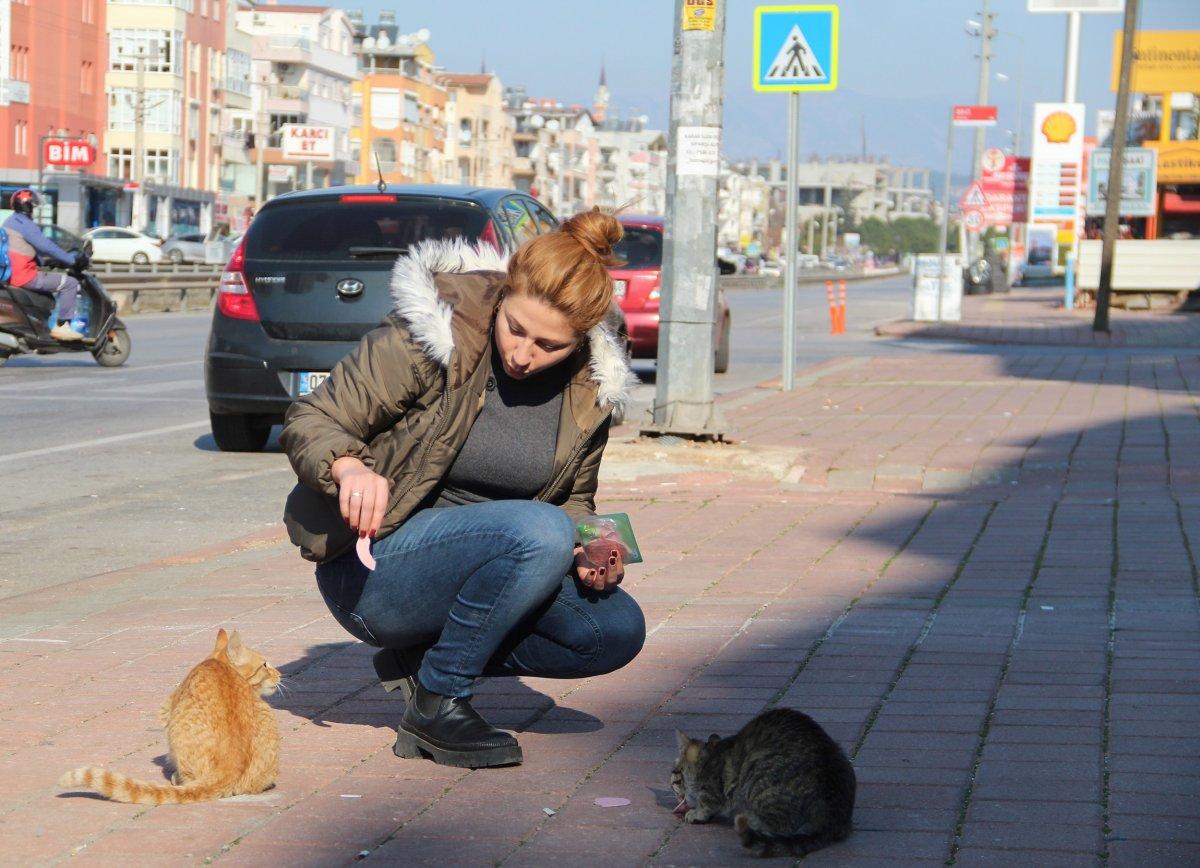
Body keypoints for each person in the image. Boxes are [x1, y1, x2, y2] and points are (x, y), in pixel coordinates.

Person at [280, 209, 645, 769]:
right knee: (538, 529)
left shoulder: (590, 388)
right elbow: (312, 417)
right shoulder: (436, 335)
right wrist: (349, 467)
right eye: (516, 328)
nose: (523, 355)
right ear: (504, 294)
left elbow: (573, 500)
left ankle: (425, 664)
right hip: (377, 567)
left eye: (549, 345)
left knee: (613, 630)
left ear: (580, 343)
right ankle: (438, 701)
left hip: (502, 558)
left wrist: (593, 546)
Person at [2, 189, 87, 341]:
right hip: (25, 276)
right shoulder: (26, 224)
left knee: (49, 292)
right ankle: (63, 327)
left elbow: (24, 249)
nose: (34, 210)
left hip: (12, 274)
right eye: (33, 206)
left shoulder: (10, 221)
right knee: (70, 283)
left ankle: (43, 327)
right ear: (29, 207)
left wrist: (46, 261)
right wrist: (71, 260)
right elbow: (47, 246)